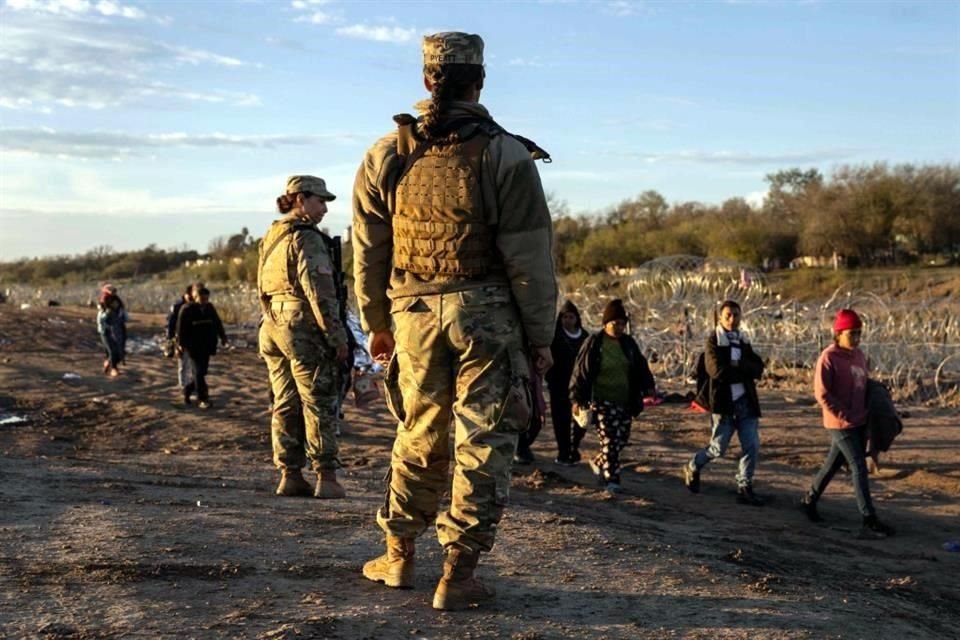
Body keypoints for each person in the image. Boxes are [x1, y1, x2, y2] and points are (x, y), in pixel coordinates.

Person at [353, 31, 556, 611]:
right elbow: (530, 258)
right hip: (487, 318)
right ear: (480, 80)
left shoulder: (385, 154)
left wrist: (376, 320)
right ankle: (458, 574)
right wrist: (540, 336)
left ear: (425, 80)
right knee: (483, 443)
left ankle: (397, 557)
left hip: (412, 314)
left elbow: (369, 251)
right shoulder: (506, 154)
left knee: (417, 432)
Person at [258, 175, 350, 500]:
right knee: (318, 401)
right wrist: (337, 337)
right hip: (301, 327)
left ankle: (290, 474)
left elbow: (262, 290)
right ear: (300, 199)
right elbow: (321, 293)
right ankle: (326, 476)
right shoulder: (306, 238)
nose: (325, 208)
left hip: (272, 326)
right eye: (320, 200)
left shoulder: (272, 235)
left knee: (284, 402)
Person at [801, 309, 895, 539]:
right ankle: (869, 518)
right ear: (838, 333)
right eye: (852, 333)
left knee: (832, 464)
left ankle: (809, 500)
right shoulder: (828, 358)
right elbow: (822, 394)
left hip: (860, 420)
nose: (856, 338)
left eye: (859, 333)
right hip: (840, 424)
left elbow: (863, 382)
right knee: (859, 467)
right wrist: (844, 415)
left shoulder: (859, 356)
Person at [683, 300, 765, 506]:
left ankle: (744, 485)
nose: (732, 319)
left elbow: (758, 368)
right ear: (720, 318)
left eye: (736, 315)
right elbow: (717, 371)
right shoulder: (714, 341)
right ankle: (693, 465)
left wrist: (737, 365)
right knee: (718, 448)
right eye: (728, 315)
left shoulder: (743, 340)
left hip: (746, 402)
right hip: (724, 404)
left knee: (751, 446)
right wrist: (742, 368)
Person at [569, 299, 654, 495]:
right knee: (609, 440)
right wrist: (576, 399)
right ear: (606, 323)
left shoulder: (628, 344)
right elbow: (581, 372)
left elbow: (640, 367)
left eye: (622, 324)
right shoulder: (594, 343)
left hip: (624, 399)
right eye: (615, 323)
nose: (619, 327)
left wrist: (648, 386)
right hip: (601, 399)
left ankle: (600, 461)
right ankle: (612, 480)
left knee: (621, 439)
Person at [546, 300, 588, 465]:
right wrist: (551, 379)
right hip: (559, 385)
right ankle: (563, 451)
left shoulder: (584, 337)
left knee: (581, 419)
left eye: (571, 317)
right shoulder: (555, 336)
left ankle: (574, 447)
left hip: (579, 386)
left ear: (577, 318)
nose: (568, 320)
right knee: (561, 420)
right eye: (564, 317)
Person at [175, 287, 227, 409]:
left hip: (207, 346)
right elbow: (180, 328)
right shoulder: (187, 309)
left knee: (202, 372)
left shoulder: (210, 308)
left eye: (206, 298)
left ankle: (188, 390)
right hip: (192, 346)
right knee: (198, 372)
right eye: (202, 298)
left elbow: (217, 322)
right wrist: (180, 345)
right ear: (196, 297)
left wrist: (223, 336)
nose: (204, 301)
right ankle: (202, 399)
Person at [167, 283, 201, 400]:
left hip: (194, 339)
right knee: (183, 364)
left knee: (193, 365)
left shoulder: (197, 305)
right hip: (180, 338)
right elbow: (171, 324)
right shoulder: (178, 306)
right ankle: (183, 386)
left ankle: (192, 386)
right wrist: (171, 340)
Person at [96, 284, 127, 377]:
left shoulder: (118, 301)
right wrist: (107, 314)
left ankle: (109, 362)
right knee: (112, 350)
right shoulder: (102, 303)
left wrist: (122, 316)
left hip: (118, 329)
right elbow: (101, 320)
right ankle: (113, 368)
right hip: (106, 330)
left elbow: (124, 315)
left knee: (120, 350)